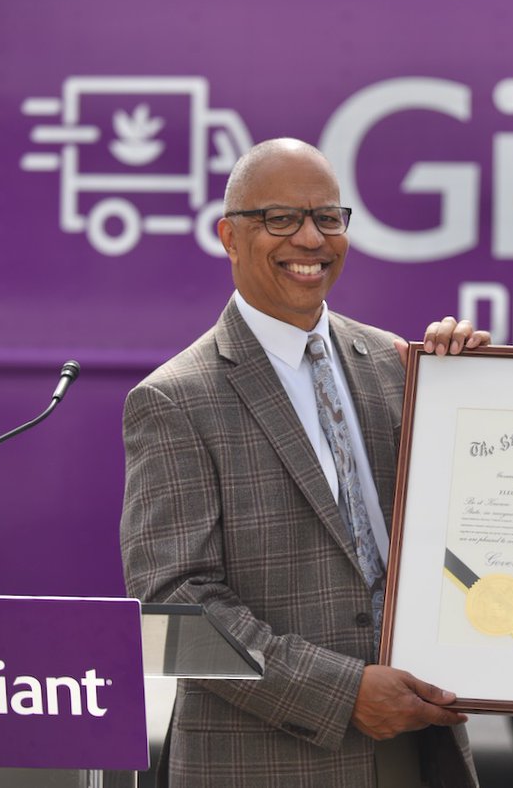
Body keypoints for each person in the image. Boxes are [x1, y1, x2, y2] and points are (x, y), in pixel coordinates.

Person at [120, 138, 486, 787]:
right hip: (264, 762)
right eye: (281, 219)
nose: (312, 239)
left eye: (328, 217)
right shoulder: (176, 398)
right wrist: (342, 692)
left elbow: (467, 531)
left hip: (413, 749)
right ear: (230, 236)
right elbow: (172, 614)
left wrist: (474, 393)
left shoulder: (398, 366)